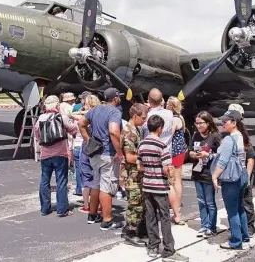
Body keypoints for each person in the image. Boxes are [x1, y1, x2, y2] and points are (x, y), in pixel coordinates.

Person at [138, 115, 189, 261]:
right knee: (165, 217)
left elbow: (139, 166)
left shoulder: (142, 144)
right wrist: (170, 175)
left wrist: (150, 168)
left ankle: (153, 246)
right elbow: (167, 168)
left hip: (147, 185)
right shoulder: (162, 145)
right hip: (160, 186)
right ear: (160, 128)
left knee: (151, 216)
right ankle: (168, 250)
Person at [78, 87, 124, 230]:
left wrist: (88, 140)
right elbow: (114, 131)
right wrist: (120, 152)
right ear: (115, 98)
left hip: (95, 153)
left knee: (96, 183)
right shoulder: (114, 112)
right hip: (107, 153)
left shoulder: (95, 109)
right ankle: (107, 220)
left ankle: (92, 215)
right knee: (107, 186)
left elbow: (81, 124)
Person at [34, 95, 78, 217]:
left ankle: (44, 208)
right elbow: (73, 129)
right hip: (60, 154)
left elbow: (37, 136)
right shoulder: (61, 117)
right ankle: (62, 209)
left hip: (45, 155)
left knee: (44, 181)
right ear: (57, 105)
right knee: (61, 181)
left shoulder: (40, 119)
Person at [211, 110, 249, 249]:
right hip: (242, 175)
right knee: (240, 208)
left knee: (232, 211)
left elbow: (223, 162)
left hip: (231, 178)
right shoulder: (240, 136)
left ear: (234, 123)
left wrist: (214, 177)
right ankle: (245, 236)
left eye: (225, 121)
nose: (222, 123)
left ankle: (235, 241)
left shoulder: (229, 139)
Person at [189, 111, 221, 238]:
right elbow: (190, 150)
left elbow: (221, 154)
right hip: (197, 172)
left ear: (208, 123)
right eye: (197, 123)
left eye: (201, 123)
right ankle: (204, 225)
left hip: (209, 173)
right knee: (201, 201)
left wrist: (208, 155)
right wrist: (192, 154)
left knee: (210, 202)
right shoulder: (196, 135)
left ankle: (212, 227)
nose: (198, 126)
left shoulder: (215, 136)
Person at [120, 103, 148, 247]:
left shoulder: (134, 129)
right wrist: (147, 160)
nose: (145, 120)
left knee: (138, 203)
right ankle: (131, 233)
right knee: (135, 204)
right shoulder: (130, 132)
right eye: (143, 118)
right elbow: (130, 157)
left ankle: (132, 229)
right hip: (132, 174)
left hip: (134, 174)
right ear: (135, 116)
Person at [227, 104, 255, 237]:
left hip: (243, 175)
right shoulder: (230, 135)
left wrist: (247, 178)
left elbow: (250, 158)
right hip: (234, 176)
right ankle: (238, 226)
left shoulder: (242, 137)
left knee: (246, 203)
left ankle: (249, 228)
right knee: (236, 203)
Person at [72, 94, 101, 213]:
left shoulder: (83, 117)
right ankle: (98, 205)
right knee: (98, 175)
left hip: (86, 145)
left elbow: (72, 115)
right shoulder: (99, 116)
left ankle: (86, 205)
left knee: (86, 176)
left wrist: (84, 112)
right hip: (98, 146)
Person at [166, 96, 186, 225]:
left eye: (168, 104)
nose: (166, 105)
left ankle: (175, 205)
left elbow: (169, 135)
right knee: (178, 179)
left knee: (174, 180)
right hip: (180, 151)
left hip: (174, 152)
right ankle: (176, 204)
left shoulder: (174, 120)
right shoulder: (181, 118)